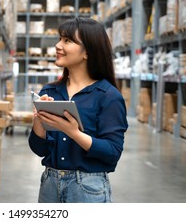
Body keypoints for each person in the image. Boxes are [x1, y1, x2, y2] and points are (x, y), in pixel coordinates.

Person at [28, 17, 128, 203]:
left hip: (87, 189)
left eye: (67, 41)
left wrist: (73, 132)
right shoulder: (49, 92)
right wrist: (38, 120)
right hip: (49, 185)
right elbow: (39, 149)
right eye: (59, 39)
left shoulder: (107, 96)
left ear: (87, 52)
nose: (58, 45)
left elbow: (112, 152)